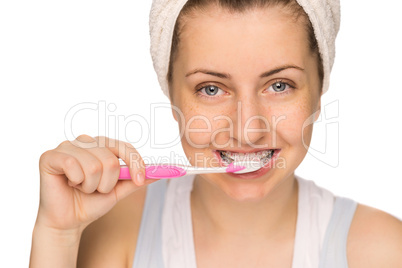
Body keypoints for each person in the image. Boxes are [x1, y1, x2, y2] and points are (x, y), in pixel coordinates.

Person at [30, 0, 402, 267]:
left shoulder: (384, 251)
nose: (247, 130)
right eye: (211, 89)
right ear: (171, 94)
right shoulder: (114, 234)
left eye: (279, 85)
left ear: (318, 93)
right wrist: (57, 234)